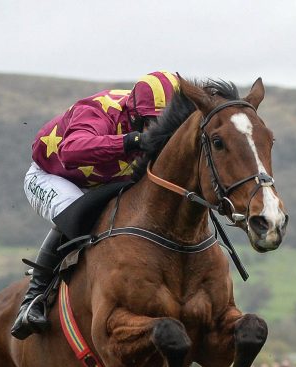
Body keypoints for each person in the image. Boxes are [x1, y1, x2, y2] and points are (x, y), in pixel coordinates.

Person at [12, 71, 181, 340]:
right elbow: (71, 150)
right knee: (79, 212)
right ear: (135, 113)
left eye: (165, 123)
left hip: (105, 181)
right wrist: (131, 141)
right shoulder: (99, 110)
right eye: (151, 122)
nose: (157, 129)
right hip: (53, 175)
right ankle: (33, 298)